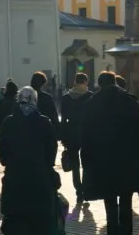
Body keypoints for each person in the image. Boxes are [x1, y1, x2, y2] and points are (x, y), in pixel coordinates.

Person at [82, 72, 139, 235]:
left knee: (109, 201)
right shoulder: (128, 101)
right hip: (128, 160)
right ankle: (126, 231)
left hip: (103, 161)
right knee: (126, 201)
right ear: (115, 83)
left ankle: (112, 231)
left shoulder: (92, 104)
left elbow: (86, 135)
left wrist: (86, 159)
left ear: (100, 84)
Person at [0, 86, 60, 235]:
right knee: (39, 222)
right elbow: (52, 148)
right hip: (39, 176)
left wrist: (8, 162)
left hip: (15, 176)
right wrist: (47, 164)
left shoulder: (8, 122)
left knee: (15, 219)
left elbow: (2, 148)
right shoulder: (45, 122)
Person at [60, 72, 92, 205]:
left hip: (71, 132)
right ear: (85, 82)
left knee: (75, 165)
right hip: (86, 133)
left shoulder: (66, 97)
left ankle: (79, 191)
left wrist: (63, 136)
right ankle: (86, 189)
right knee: (87, 164)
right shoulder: (90, 96)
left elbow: (63, 119)